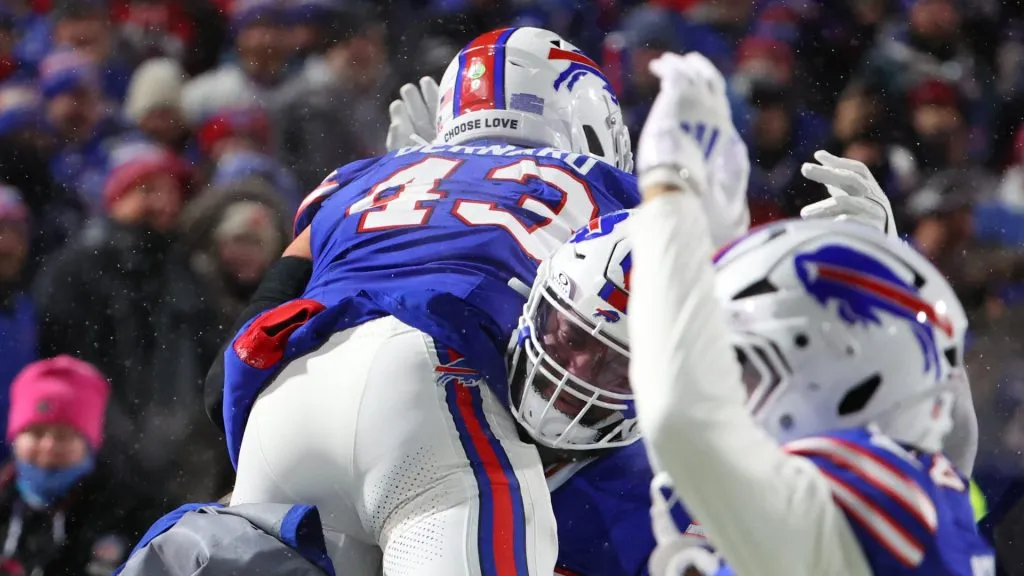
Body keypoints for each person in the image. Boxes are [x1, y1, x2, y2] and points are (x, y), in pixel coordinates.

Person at [221, 26, 637, 575]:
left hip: (284, 400)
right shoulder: (606, 189)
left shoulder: (359, 176)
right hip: (432, 391)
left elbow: (272, 297)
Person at [627, 51, 993, 575]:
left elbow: (681, 418)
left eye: (749, 368)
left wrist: (669, 189)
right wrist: (881, 267)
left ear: (837, 371)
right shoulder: (917, 490)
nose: (735, 390)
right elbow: (946, 425)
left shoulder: (868, 495)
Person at [0, 356, 156, 576]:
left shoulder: (130, 512)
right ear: (15, 439)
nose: (49, 446)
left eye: (64, 435)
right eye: (36, 433)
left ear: (89, 443)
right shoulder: (5, 502)